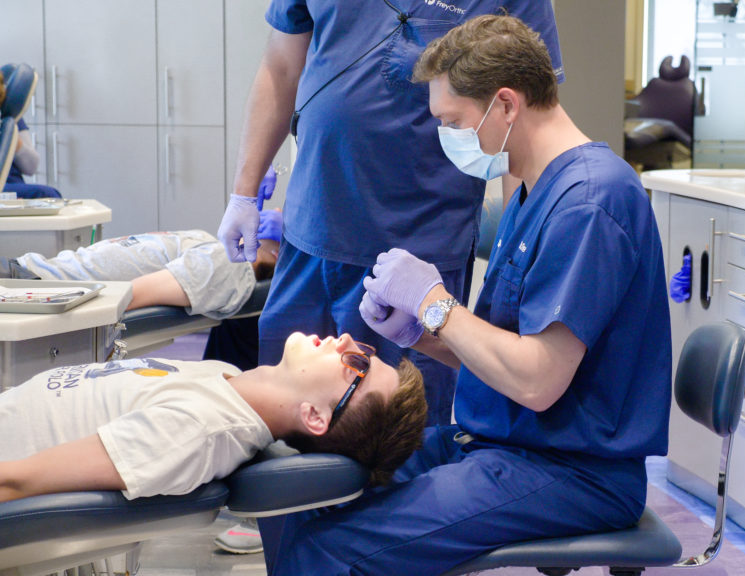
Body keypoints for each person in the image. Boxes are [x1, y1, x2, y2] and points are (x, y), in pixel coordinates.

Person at [255, 15, 672, 575]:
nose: (444, 138)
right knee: (319, 496)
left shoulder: (591, 203)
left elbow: (538, 381)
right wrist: (418, 337)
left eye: (452, 121)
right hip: (502, 442)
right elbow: (507, 354)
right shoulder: (531, 190)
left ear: (505, 105)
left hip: (572, 472)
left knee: (328, 548)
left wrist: (437, 305)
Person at [216, 1, 563, 429]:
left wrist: (514, 260)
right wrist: (243, 195)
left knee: (396, 440)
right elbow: (281, 69)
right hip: (310, 236)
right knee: (284, 421)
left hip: (421, 253)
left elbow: (524, 116)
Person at [0, 332, 428, 504]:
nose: (349, 340)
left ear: (316, 417)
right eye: (367, 353)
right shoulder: (227, 379)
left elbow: (15, 481)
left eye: (357, 364)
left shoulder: (198, 430)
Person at [0, 209, 282, 319]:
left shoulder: (229, 265)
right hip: (27, 273)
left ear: (280, 254)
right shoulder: (214, 247)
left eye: (287, 213)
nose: (279, 208)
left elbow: (126, 296)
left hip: (32, 288)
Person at [0, 73, 60, 199]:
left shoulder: (10, 119)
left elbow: (31, 167)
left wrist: (10, 137)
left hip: (13, 186)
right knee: (46, 194)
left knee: (48, 195)